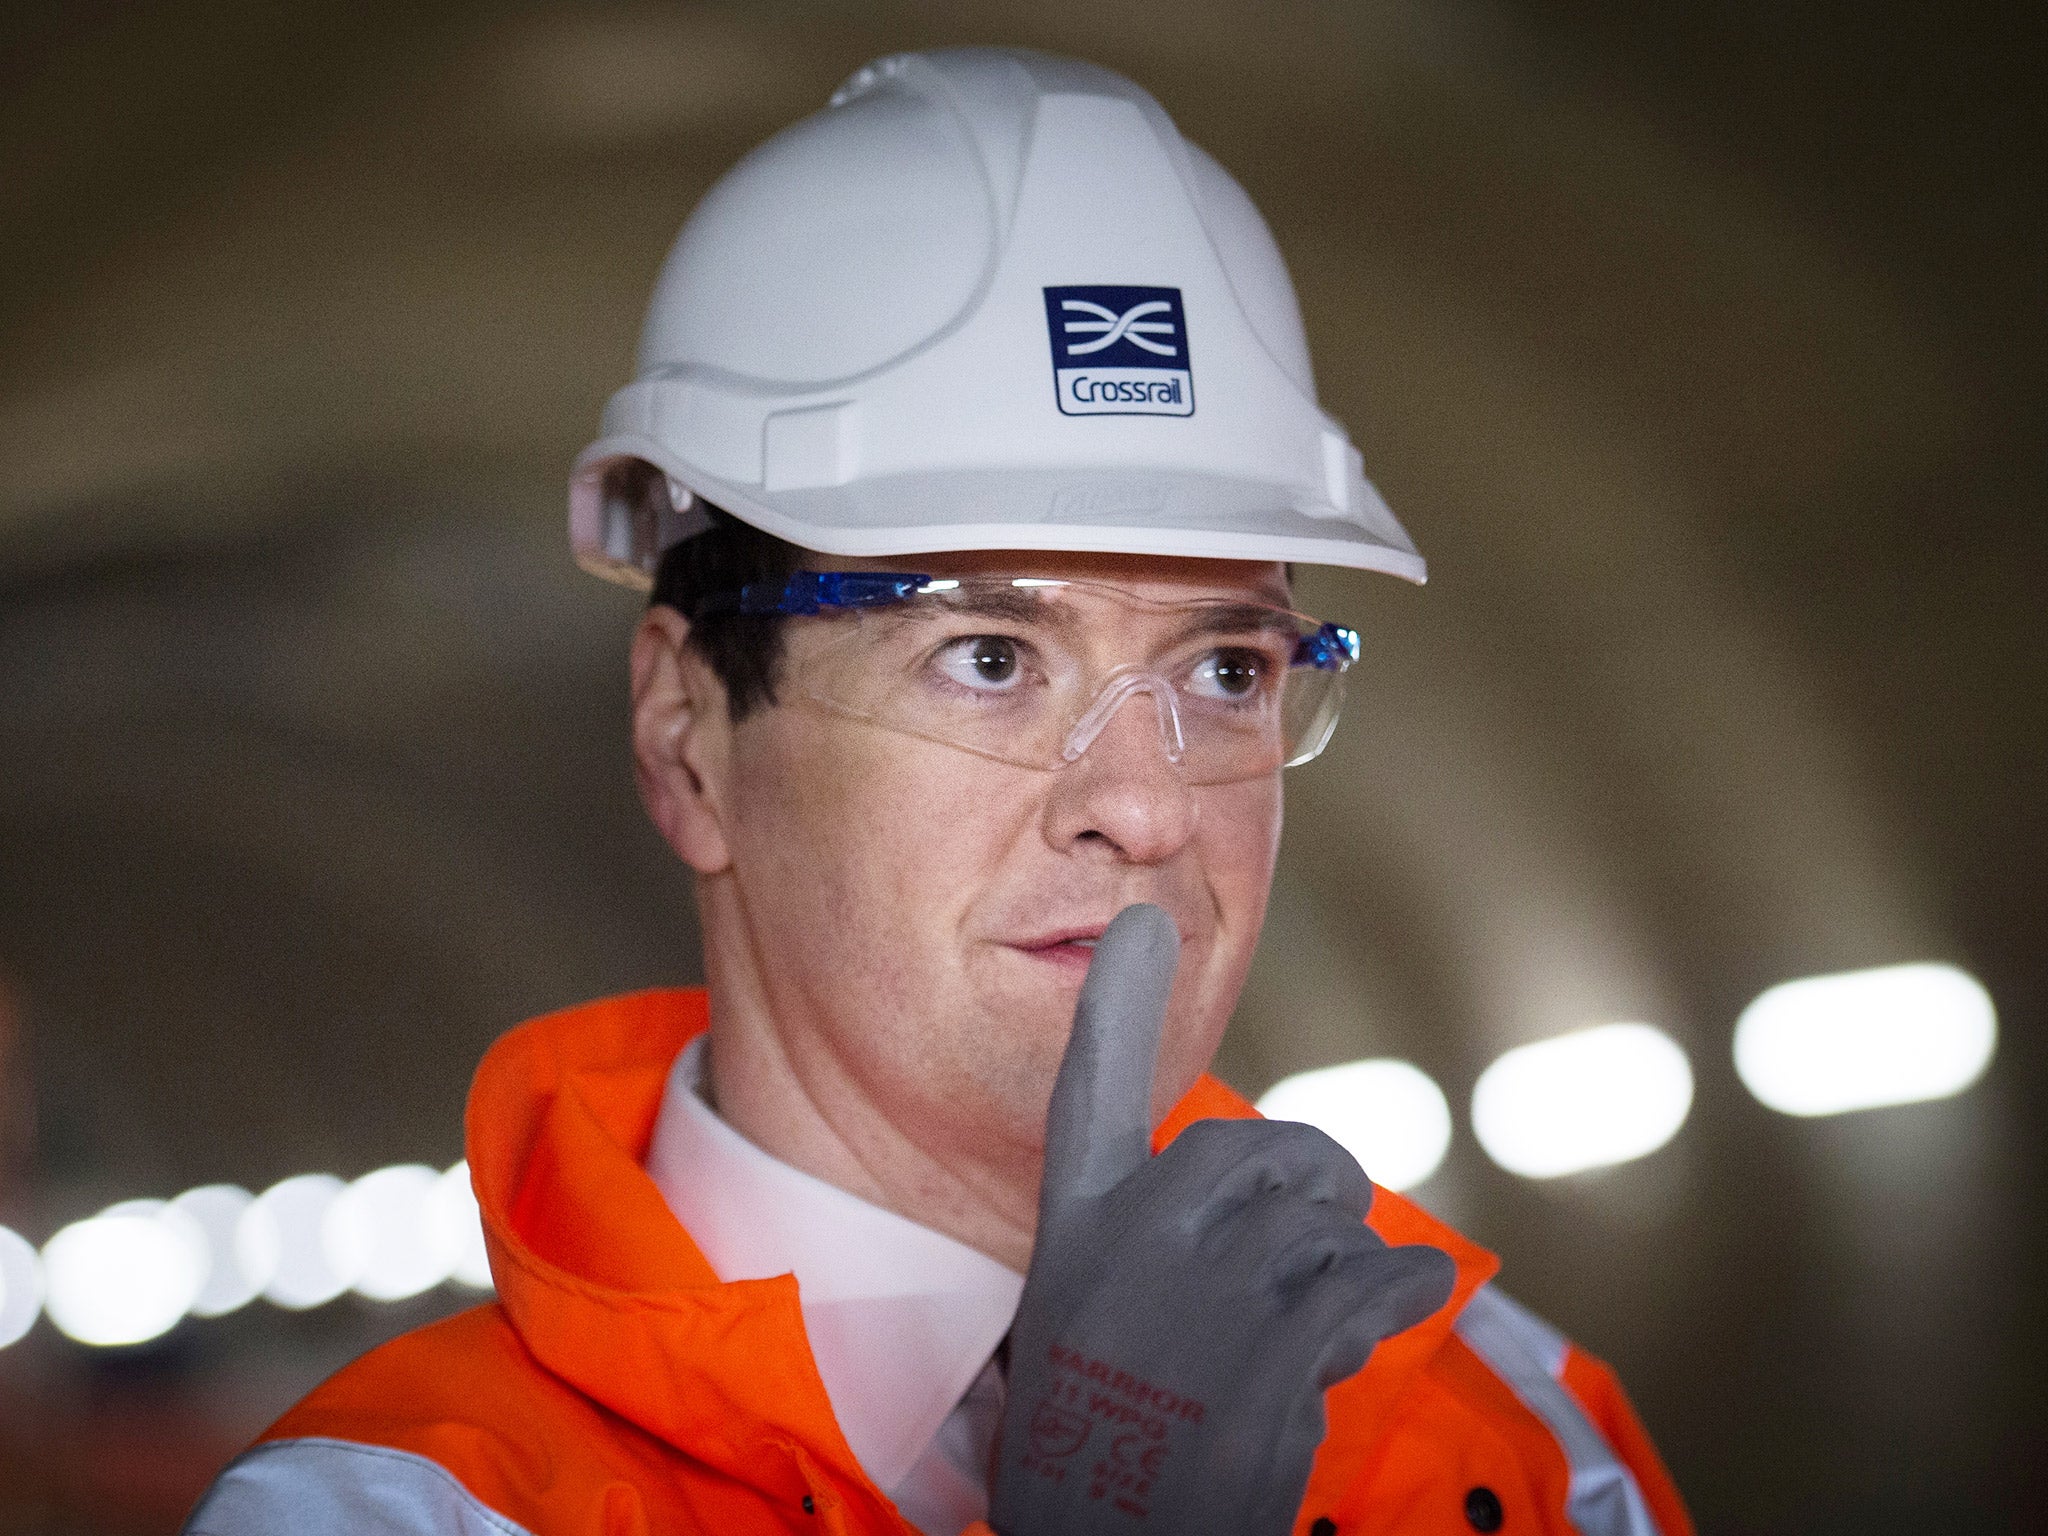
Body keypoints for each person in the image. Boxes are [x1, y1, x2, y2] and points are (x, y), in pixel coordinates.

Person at [185, 46, 1690, 1536]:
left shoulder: (1516, 1437)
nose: (1146, 810)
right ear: (687, 732)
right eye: (986, 656)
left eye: (1228, 672)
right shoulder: (402, 1515)